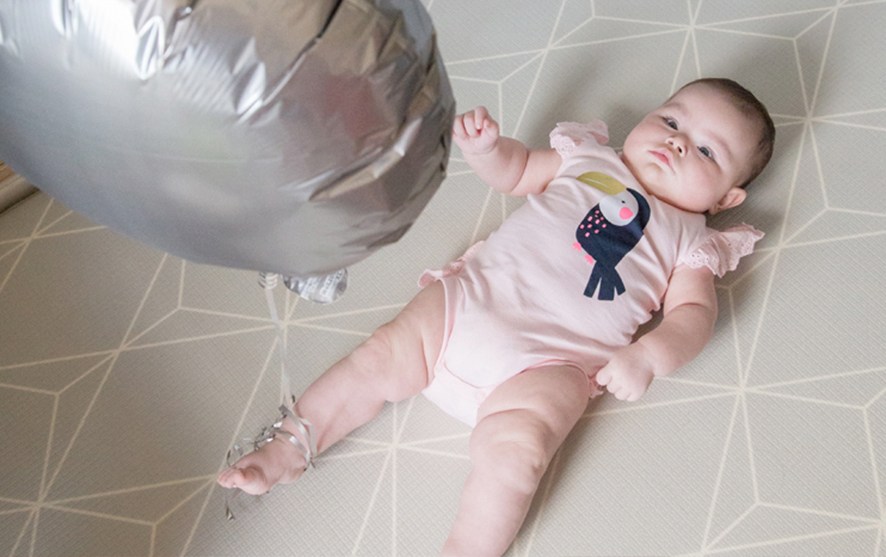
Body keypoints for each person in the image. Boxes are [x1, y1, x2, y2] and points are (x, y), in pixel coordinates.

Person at [218, 77, 776, 556]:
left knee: (519, 453)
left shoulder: (690, 240)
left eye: (706, 152)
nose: (677, 143)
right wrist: (488, 150)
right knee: (377, 358)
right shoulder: (589, 159)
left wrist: (650, 355)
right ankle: (290, 445)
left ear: (726, 200)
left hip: (550, 364)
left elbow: (694, 315)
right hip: (470, 303)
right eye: (671, 120)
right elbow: (519, 172)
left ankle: (469, 548)